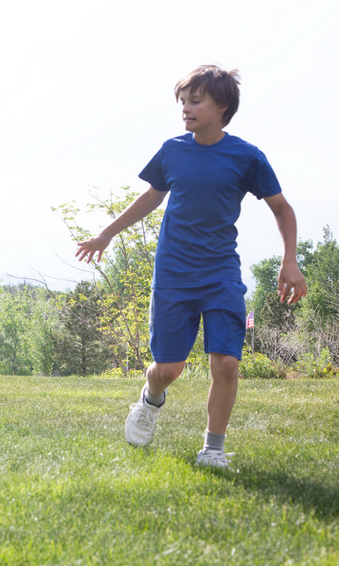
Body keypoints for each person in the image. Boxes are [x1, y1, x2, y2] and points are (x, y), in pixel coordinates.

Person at [75, 65, 306, 468]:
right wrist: (106, 234)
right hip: (173, 275)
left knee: (227, 362)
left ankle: (212, 449)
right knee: (169, 368)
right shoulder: (173, 150)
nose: (186, 108)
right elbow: (151, 197)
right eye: (183, 101)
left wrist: (291, 260)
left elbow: (282, 209)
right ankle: (151, 398)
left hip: (221, 274)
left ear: (223, 106)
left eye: (195, 101)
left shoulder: (247, 157)